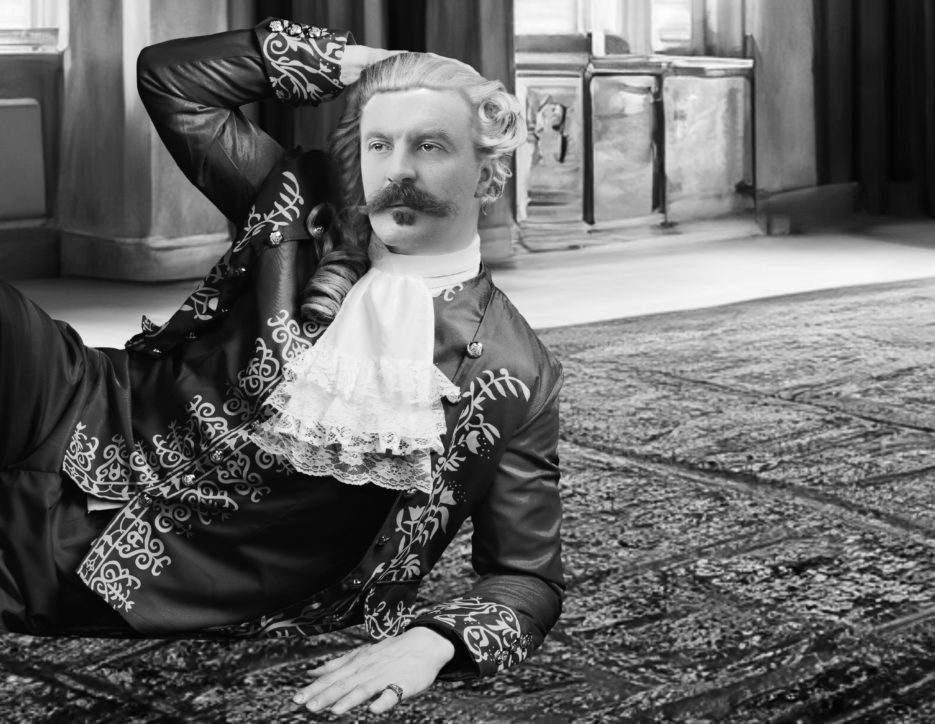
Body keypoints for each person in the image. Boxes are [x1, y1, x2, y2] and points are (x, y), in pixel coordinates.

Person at [0, 17, 564, 717]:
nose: (399, 171)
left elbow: (527, 577)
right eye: (380, 144)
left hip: (154, 568)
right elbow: (169, 81)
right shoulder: (303, 200)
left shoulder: (515, 374)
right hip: (82, 400)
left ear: (489, 169)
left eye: (430, 145)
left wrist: (431, 643)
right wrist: (361, 63)